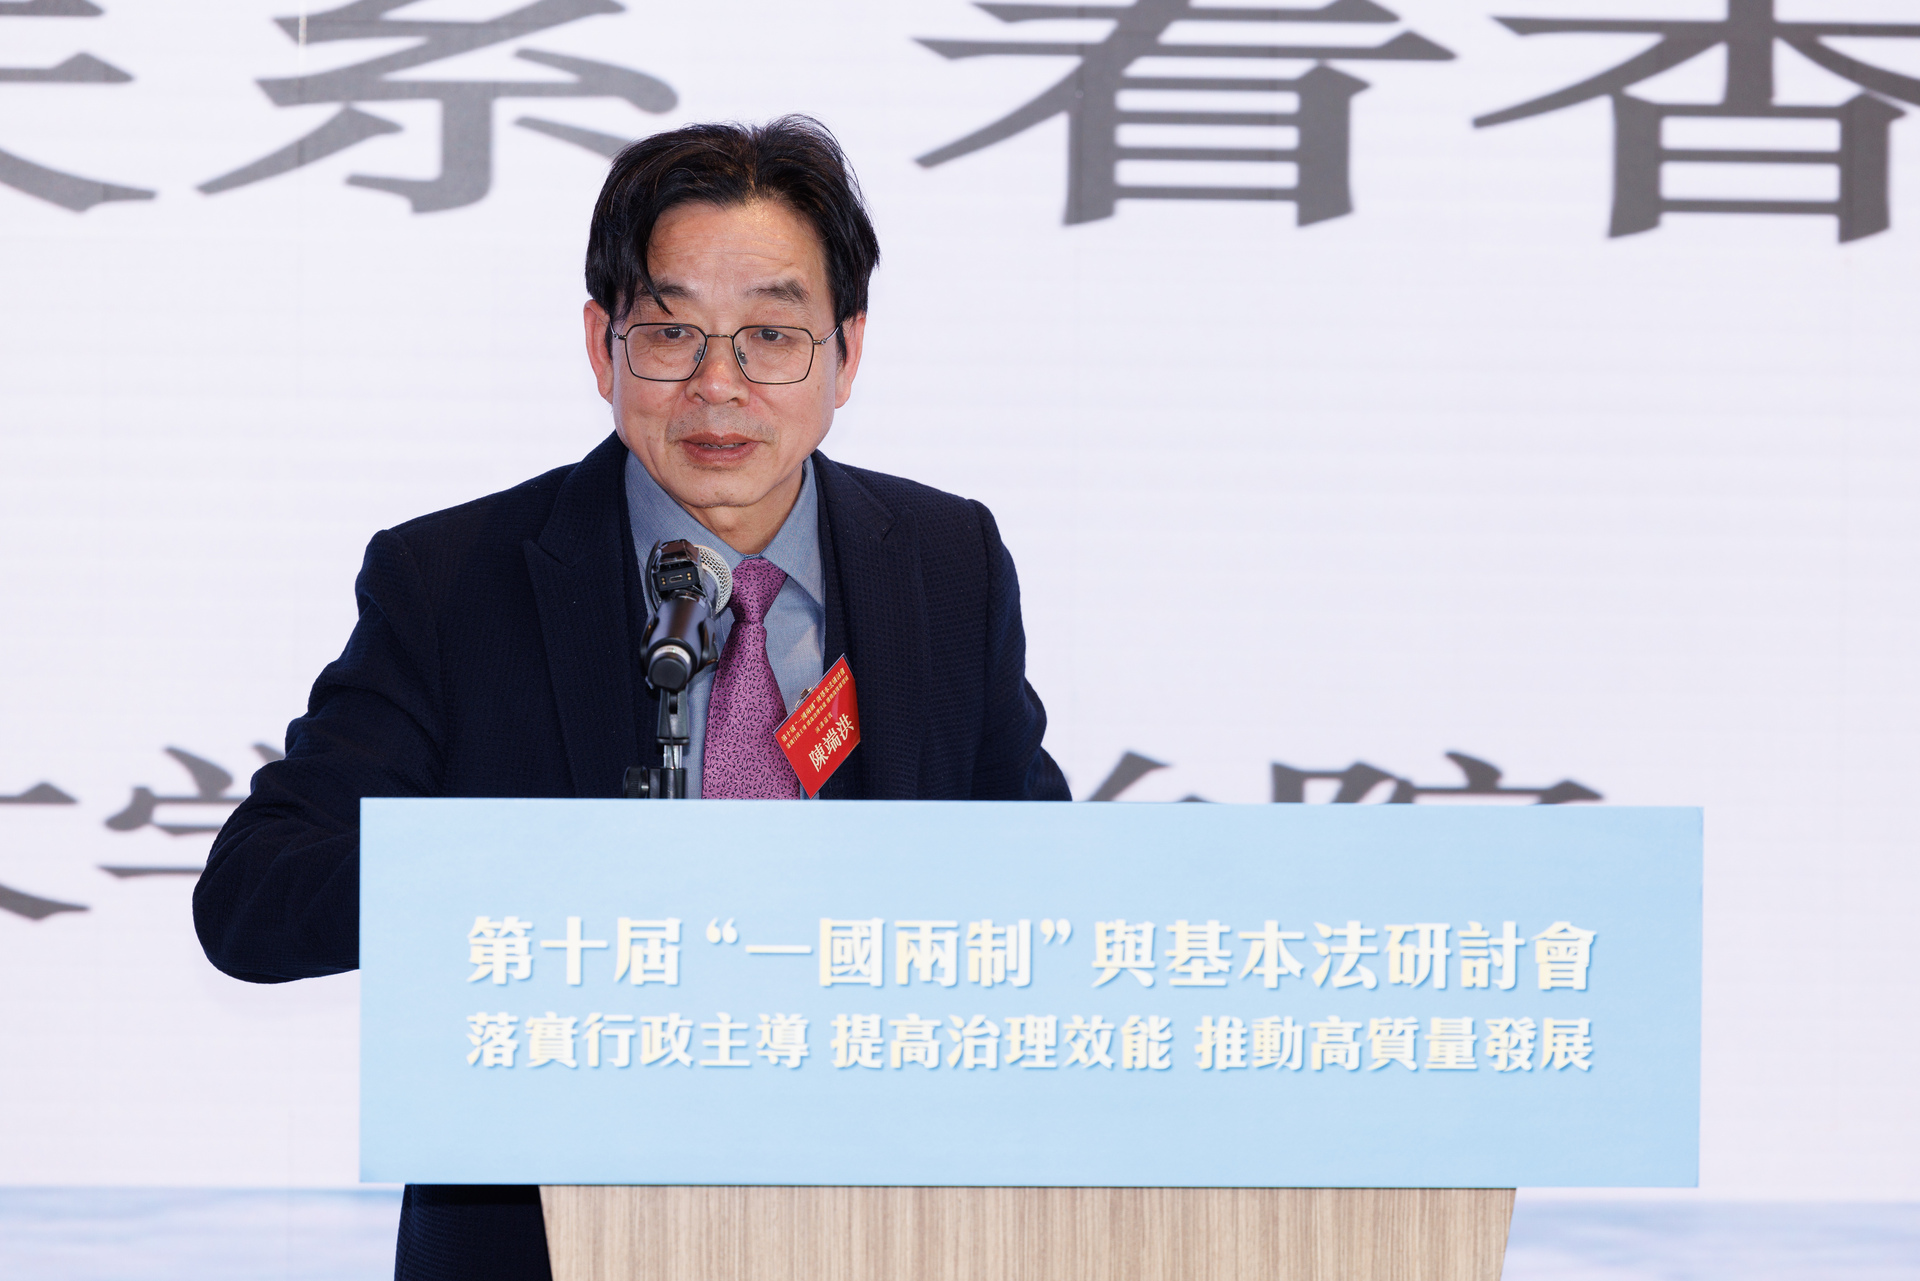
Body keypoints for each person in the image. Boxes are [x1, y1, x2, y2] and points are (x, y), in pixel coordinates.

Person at [192, 116, 1068, 1281]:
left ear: (847, 354)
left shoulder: (946, 565)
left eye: (771, 335)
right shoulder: (456, 582)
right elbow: (253, 900)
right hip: (546, 1244)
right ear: (602, 348)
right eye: (669, 332)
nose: (718, 385)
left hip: (887, 1228)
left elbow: (1043, 892)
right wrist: (536, 877)